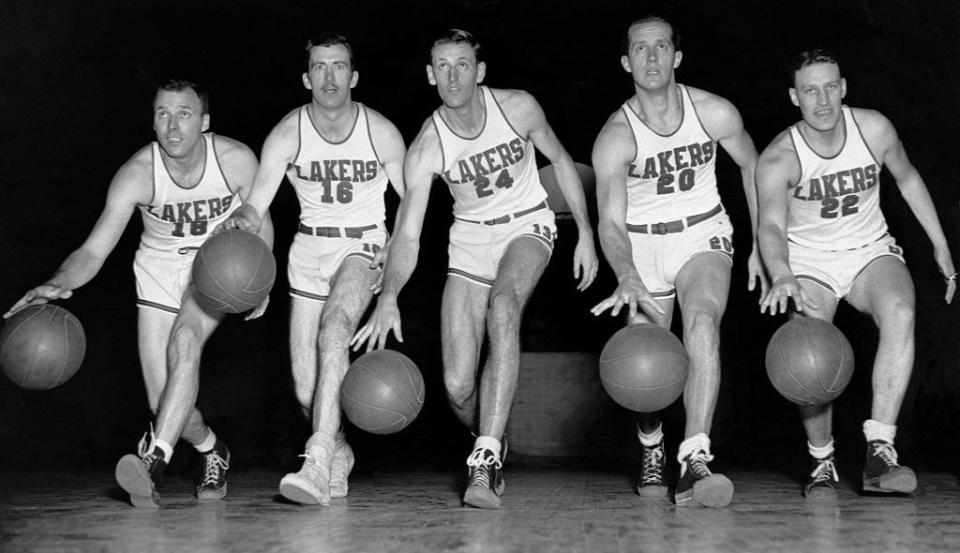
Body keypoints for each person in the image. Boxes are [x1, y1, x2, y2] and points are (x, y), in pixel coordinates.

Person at [352, 29, 598, 510]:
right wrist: (387, 296)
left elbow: (563, 161)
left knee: (504, 309)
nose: (453, 75)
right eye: (442, 66)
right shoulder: (427, 145)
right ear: (430, 75)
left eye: (462, 64)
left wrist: (585, 233)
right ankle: (493, 436)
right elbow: (407, 233)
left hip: (527, 225)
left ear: (479, 71)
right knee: (457, 385)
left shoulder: (518, 107)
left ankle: (483, 455)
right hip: (469, 243)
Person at [3, 79, 273, 508]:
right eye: (162, 114)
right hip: (158, 272)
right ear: (152, 121)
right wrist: (59, 282)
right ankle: (211, 450)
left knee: (186, 342)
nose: (172, 125)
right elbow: (93, 250)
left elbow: (261, 219)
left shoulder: (235, 159)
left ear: (204, 121)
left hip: (214, 269)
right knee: (162, 401)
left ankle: (152, 462)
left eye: (184, 114)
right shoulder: (137, 174)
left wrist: (260, 278)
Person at [756, 48, 955, 499]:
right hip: (808, 260)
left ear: (843, 87)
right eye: (810, 90)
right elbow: (769, 224)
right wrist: (782, 273)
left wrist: (939, 243)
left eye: (830, 87)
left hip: (868, 250)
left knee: (901, 311)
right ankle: (821, 459)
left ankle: (879, 449)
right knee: (810, 345)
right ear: (794, 97)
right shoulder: (779, 157)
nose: (822, 100)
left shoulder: (874, 128)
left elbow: (906, 178)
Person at [220, 34, 406, 506]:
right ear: (307, 78)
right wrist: (237, 225)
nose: (329, 76)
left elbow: (414, 203)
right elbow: (256, 206)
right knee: (307, 390)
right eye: (319, 67)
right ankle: (340, 451)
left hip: (362, 245)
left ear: (354, 76)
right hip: (307, 253)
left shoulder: (379, 131)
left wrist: (395, 252)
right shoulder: (287, 133)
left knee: (336, 329)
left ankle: (317, 460)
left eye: (338, 66)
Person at [590, 15, 765, 507]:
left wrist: (762, 248)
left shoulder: (713, 112)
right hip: (640, 245)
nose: (651, 57)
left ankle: (694, 456)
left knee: (704, 322)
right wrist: (625, 275)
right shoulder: (615, 136)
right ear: (627, 62)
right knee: (645, 358)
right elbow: (609, 222)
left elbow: (754, 166)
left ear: (677, 56)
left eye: (661, 46)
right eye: (641, 49)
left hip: (701, 234)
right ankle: (652, 446)